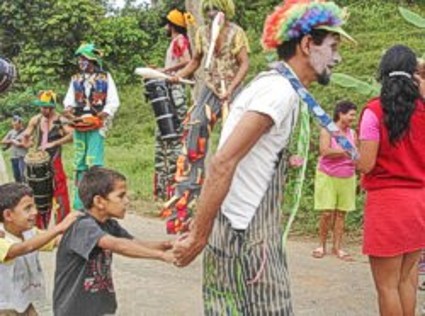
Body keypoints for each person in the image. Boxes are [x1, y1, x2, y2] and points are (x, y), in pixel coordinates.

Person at [172, 0, 355, 314]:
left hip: (241, 233)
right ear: (307, 44)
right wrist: (198, 236)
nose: (336, 57)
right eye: (332, 46)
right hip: (247, 241)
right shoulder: (278, 92)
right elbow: (222, 162)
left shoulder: (278, 88)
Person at [162, 0, 250, 233]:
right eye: (208, 10)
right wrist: (178, 75)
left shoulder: (236, 33)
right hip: (210, 89)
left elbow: (244, 64)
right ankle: (186, 205)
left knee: (235, 139)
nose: (212, 13)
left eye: (216, 9)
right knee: (195, 129)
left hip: (233, 90)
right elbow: (195, 62)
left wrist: (230, 90)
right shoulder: (201, 33)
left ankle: (237, 199)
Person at [357, 45, 425, 316]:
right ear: (414, 74)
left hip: (388, 205)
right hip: (419, 203)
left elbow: (366, 163)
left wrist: (354, 158)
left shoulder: (373, 111)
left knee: (386, 286)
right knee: (407, 279)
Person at [53, 167, 173, 316]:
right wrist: (161, 256)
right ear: (99, 201)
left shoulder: (108, 224)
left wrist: (168, 245)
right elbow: (118, 245)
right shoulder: (82, 225)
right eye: (121, 196)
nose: (127, 201)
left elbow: (135, 244)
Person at [0, 182, 79, 315]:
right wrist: (59, 227)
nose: (35, 212)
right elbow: (23, 248)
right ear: (8, 215)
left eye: (34, 206)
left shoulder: (30, 232)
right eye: (28, 208)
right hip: (4, 307)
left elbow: (55, 240)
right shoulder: (2, 238)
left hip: (24, 303)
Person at [63, 43, 120, 211]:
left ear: (92, 60)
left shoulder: (105, 77)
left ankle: (94, 201)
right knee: (79, 163)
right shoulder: (75, 79)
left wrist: (103, 114)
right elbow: (68, 101)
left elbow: (113, 102)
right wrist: (68, 111)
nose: (81, 62)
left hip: (96, 125)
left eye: (84, 58)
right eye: (80, 58)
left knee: (93, 164)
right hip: (79, 124)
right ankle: (80, 202)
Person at [153, 8, 193, 201]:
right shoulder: (174, 42)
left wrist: (165, 70)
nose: (166, 28)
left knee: (174, 134)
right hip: (169, 88)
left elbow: (187, 61)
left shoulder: (179, 41)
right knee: (164, 136)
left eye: (167, 24)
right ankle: (165, 188)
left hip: (175, 91)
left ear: (172, 25)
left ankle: (176, 185)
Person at [312, 100, 357, 261]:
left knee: (341, 214)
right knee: (326, 213)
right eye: (351, 114)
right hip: (327, 175)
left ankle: (337, 247)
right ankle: (321, 245)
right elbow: (324, 151)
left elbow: (355, 154)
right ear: (341, 114)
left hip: (347, 176)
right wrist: (345, 151)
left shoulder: (352, 133)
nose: (353, 118)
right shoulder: (328, 130)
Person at [22, 90, 73, 229]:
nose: (43, 109)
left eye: (45, 107)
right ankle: (39, 228)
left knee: (60, 191)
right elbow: (27, 133)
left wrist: (55, 143)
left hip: (54, 160)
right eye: (42, 107)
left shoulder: (60, 120)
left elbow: (72, 135)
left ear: (52, 107)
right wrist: (26, 139)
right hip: (39, 162)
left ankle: (62, 227)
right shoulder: (36, 119)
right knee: (38, 193)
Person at [1, 115, 28, 183]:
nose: (14, 127)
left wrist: (19, 143)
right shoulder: (11, 132)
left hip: (22, 156)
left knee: (24, 175)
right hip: (14, 157)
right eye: (13, 125)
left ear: (20, 123)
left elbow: (27, 144)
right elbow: (2, 141)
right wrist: (11, 141)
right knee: (16, 176)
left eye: (16, 125)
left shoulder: (26, 132)